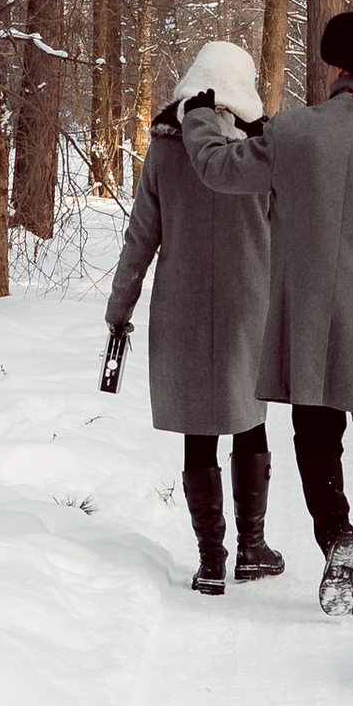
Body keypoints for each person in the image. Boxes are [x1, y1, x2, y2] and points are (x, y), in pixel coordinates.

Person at [179, 7, 353, 617]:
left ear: (337, 66)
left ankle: (337, 536)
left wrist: (203, 112)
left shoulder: (293, 132)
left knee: (317, 438)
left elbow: (215, 170)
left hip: (306, 318)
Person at [105, 39, 285, 596]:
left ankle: (211, 560)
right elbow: (291, 230)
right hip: (250, 304)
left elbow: (142, 237)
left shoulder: (165, 150)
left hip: (180, 307)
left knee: (198, 429)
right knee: (249, 418)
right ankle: (252, 549)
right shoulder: (263, 152)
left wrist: (120, 307)